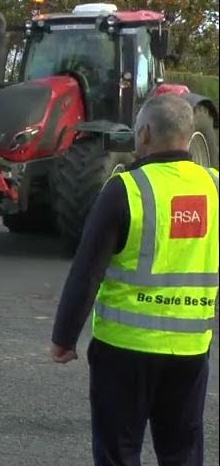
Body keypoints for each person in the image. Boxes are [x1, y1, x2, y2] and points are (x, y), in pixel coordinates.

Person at [49, 93, 218, 466]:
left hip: (124, 352)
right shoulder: (215, 188)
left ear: (143, 134)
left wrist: (64, 337)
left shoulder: (125, 188)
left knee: (118, 452)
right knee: (182, 452)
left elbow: (87, 269)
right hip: (189, 351)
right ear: (189, 136)